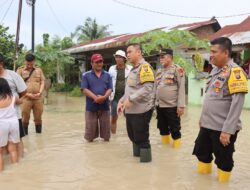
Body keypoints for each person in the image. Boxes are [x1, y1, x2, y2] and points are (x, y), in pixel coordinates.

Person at [192, 37, 248, 182]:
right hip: (207, 124)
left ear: (225, 53)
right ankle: (202, 184)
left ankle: (223, 185)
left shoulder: (235, 72)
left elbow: (237, 104)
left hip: (222, 128)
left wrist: (227, 131)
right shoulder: (215, 70)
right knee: (201, 152)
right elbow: (211, 98)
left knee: (224, 161)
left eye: (214, 52)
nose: (211, 55)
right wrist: (202, 119)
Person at [117, 44, 155, 163]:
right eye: (127, 52)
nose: (127, 54)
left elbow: (147, 88)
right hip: (130, 110)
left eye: (130, 52)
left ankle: (145, 169)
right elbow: (130, 90)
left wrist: (131, 99)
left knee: (142, 139)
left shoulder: (144, 68)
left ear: (138, 52)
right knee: (133, 137)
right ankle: (137, 165)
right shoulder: (133, 69)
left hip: (141, 110)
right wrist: (121, 101)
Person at [155, 48, 185, 148]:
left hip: (172, 106)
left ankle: (176, 151)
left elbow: (181, 88)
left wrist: (181, 106)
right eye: (159, 57)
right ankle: (165, 150)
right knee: (162, 128)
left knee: (175, 129)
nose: (160, 59)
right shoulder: (159, 71)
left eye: (163, 56)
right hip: (160, 106)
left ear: (170, 57)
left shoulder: (177, 69)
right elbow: (156, 88)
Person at [0, 53, 27, 158]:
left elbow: (24, 92)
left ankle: (20, 162)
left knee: (18, 139)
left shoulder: (12, 75)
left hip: (14, 115)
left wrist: (16, 100)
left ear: (1, 64)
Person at [81, 53, 112, 142]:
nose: (99, 64)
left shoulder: (108, 75)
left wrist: (104, 97)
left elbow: (110, 89)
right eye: (97, 62)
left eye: (101, 62)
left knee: (106, 136)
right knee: (90, 135)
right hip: (91, 107)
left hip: (105, 106)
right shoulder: (86, 75)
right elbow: (84, 89)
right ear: (92, 63)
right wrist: (96, 98)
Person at [17, 53, 45, 134]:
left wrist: (40, 92)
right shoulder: (20, 70)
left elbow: (42, 81)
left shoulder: (38, 70)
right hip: (25, 98)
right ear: (25, 61)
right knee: (25, 118)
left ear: (34, 61)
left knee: (38, 118)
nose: (29, 65)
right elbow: (17, 85)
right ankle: (25, 136)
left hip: (38, 98)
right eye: (28, 64)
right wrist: (27, 94)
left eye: (31, 64)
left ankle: (39, 136)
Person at [108, 50, 132, 134]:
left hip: (127, 97)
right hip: (115, 97)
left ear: (124, 59)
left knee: (129, 117)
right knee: (114, 117)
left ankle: (131, 135)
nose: (118, 59)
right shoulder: (111, 68)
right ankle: (113, 137)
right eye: (116, 57)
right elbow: (109, 83)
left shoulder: (130, 69)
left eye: (120, 57)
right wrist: (108, 99)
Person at [0, 78, 20, 171]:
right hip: (14, 123)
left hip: (1, 124)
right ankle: (15, 170)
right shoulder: (13, 96)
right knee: (13, 149)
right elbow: (20, 102)